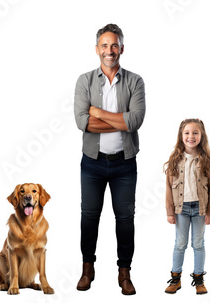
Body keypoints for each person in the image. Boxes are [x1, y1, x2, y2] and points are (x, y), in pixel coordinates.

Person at [73, 23, 145, 295]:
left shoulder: (135, 81)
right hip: (92, 162)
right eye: (104, 45)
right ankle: (87, 268)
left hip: (125, 163)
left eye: (114, 45)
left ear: (122, 49)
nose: (109, 50)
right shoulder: (85, 80)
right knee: (89, 216)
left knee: (125, 218)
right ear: (97, 49)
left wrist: (98, 113)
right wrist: (121, 120)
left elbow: (136, 120)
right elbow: (82, 122)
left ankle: (124, 272)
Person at [164, 119, 210, 295]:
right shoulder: (174, 160)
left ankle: (199, 278)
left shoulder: (206, 160)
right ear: (181, 135)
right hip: (181, 209)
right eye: (187, 133)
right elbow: (168, 188)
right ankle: (176, 278)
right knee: (180, 244)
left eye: (195, 133)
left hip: (200, 209)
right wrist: (170, 212)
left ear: (201, 136)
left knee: (198, 244)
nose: (191, 136)